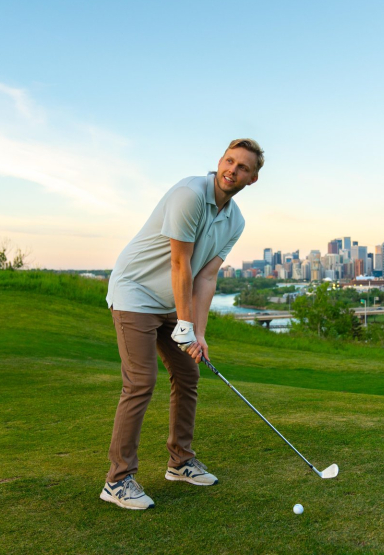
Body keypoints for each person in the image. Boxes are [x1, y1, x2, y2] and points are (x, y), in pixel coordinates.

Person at [99, 138, 264, 510]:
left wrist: (198, 334)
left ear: (252, 180)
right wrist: (185, 325)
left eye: (242, 168)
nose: (232, 170)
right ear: (220, 161)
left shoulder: (235, 220)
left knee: (188, 374)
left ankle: (180, 461)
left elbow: (206, 278)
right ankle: (118, 479)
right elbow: (180, 265)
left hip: (172, 300)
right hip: (135, 292)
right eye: (229, 161)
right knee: (141, 381)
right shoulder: (190, 194)